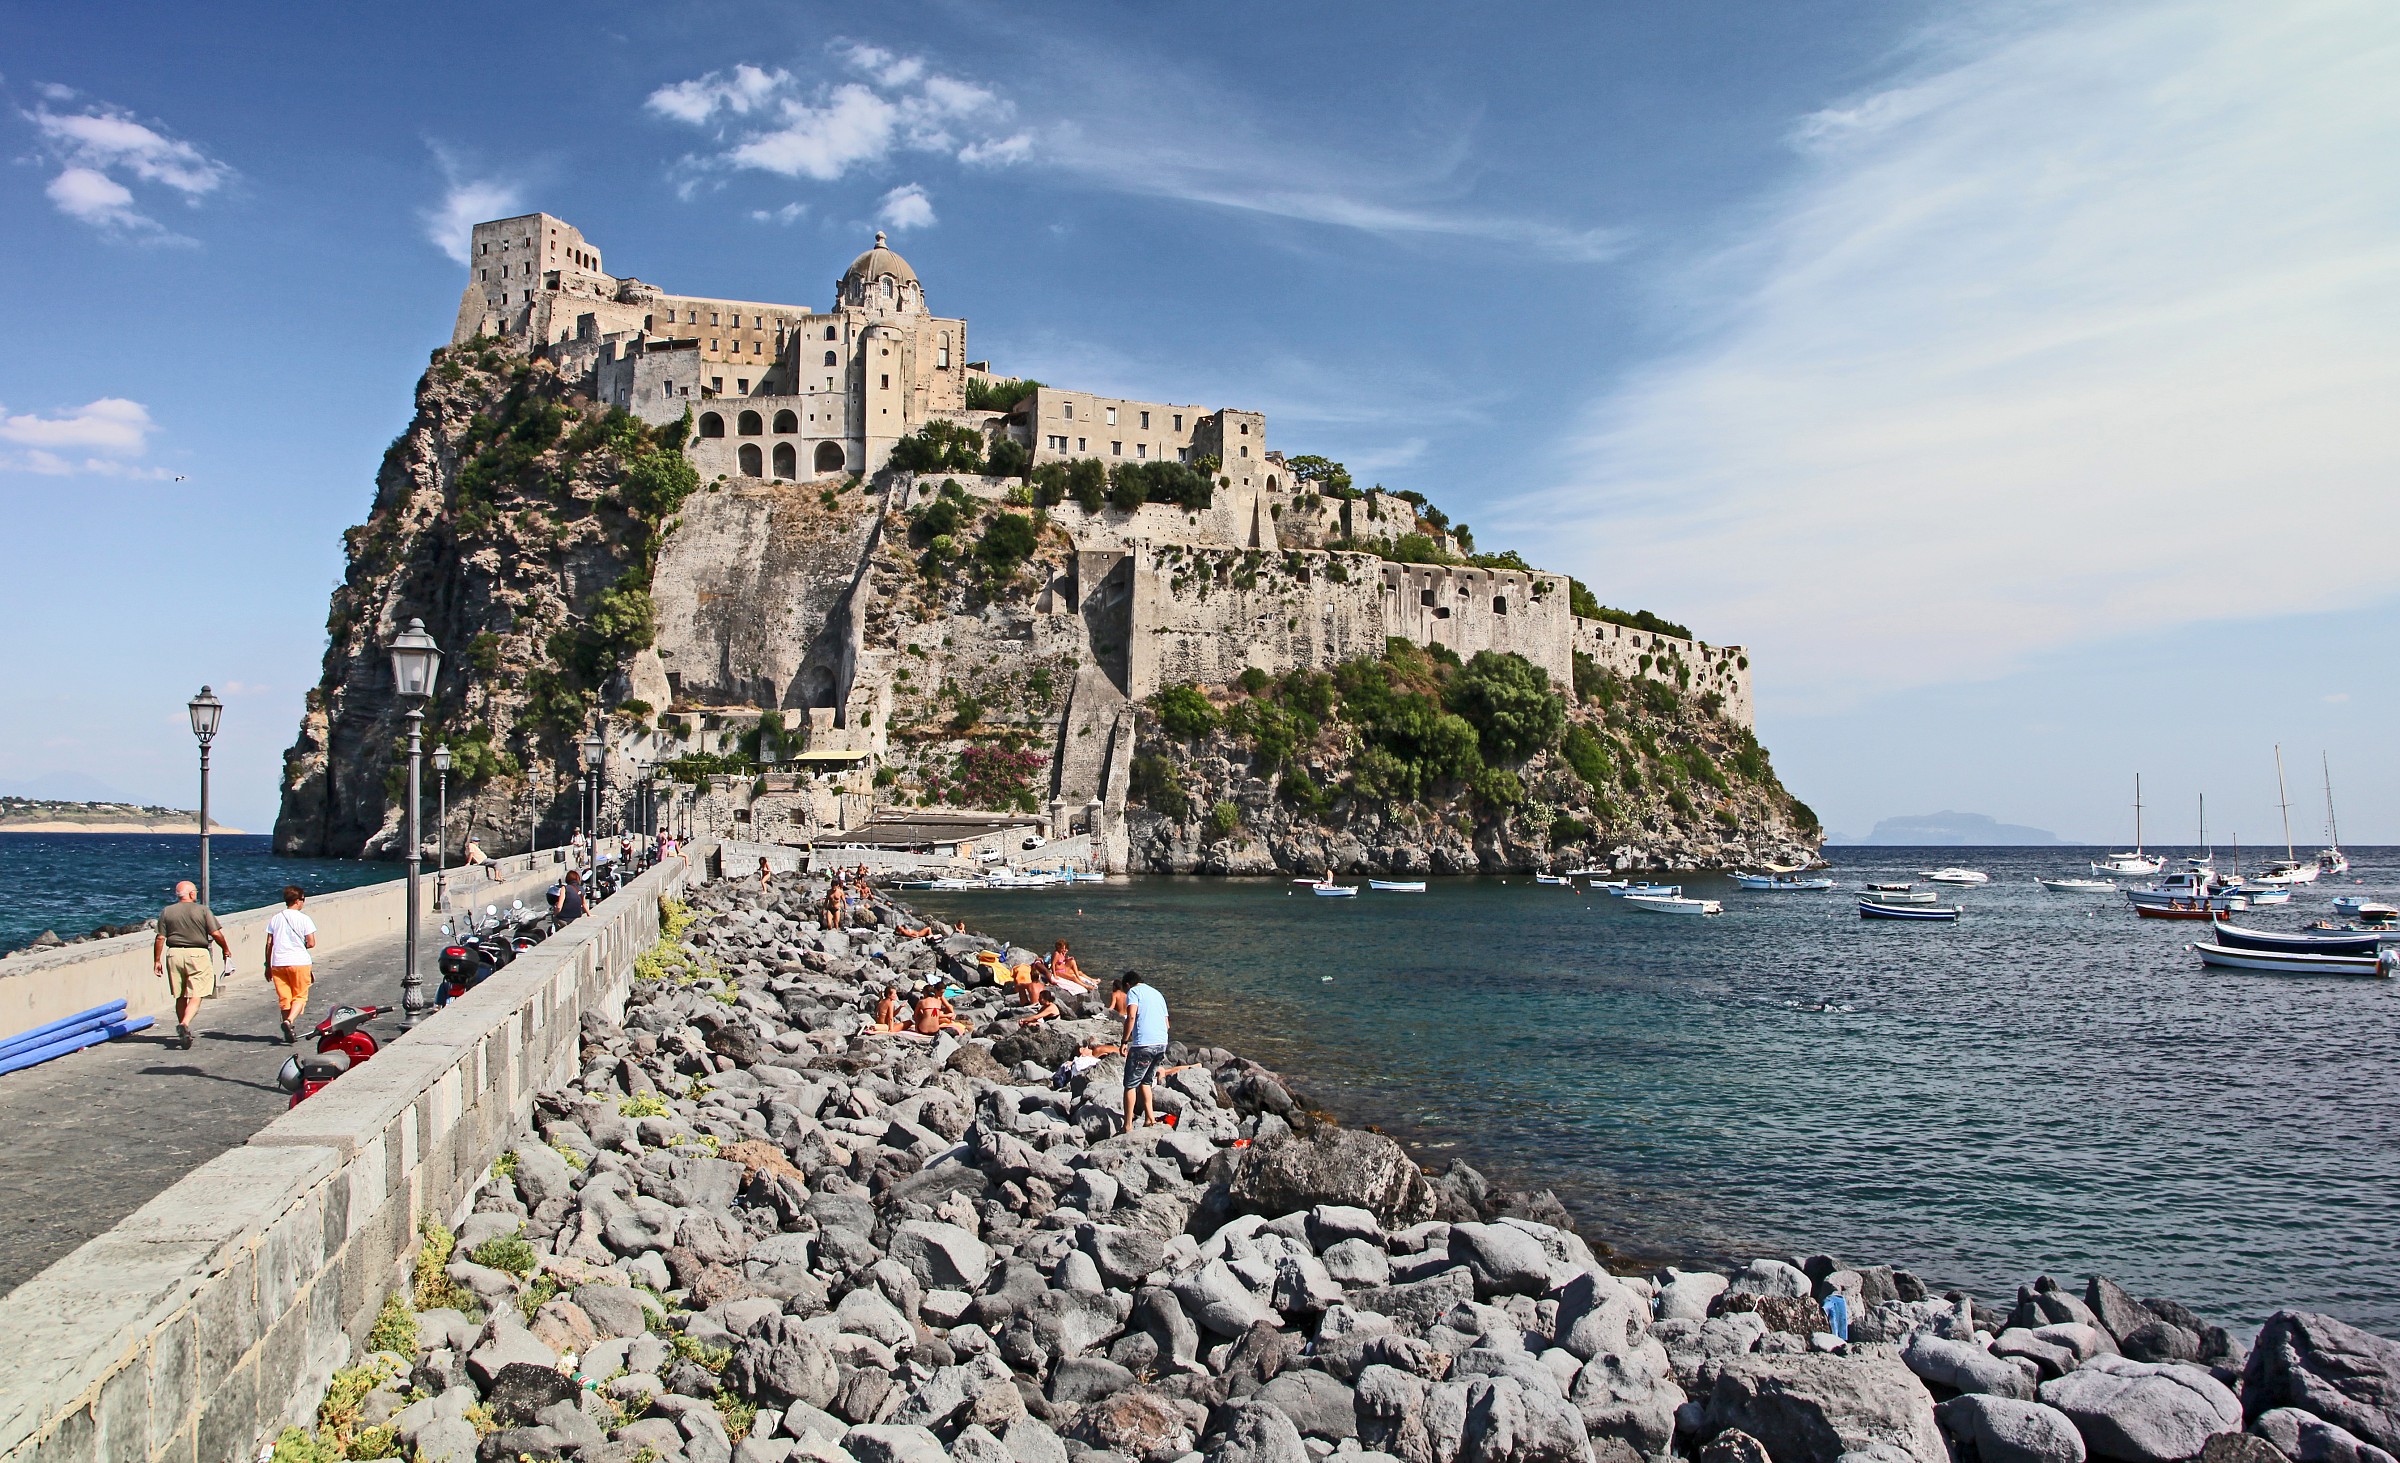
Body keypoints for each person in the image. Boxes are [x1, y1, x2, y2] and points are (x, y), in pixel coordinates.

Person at [153, 880, 230, 1050]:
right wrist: (225, 949)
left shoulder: (167, 911)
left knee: (180, 995)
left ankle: (183, 1028)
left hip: (173, 953)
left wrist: (157, 960)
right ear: (192, 894)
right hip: (197, 953)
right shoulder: (202, 910)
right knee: (198, 992)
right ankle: (185, 1023)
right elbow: (215, 933)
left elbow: (160, 938)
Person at [263, 885, 318, 1044]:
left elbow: (269, 944)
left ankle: (289, 1030)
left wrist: (267, 965)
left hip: (278, 963)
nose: (303, 903)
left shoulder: (276, 918)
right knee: (300, 995)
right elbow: (311, 942)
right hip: (299, 962)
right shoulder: (304, 919)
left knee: (285, 998)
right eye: (303, 899)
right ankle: (288, 1022)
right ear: (297, 901)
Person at [1119, 971, 1171, 1131]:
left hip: (1143, 1045)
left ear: (1127, 985)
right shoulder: (1157, 994)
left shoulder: (1134, 992)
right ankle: (1149, 1118)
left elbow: (1132, 1016)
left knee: (1130, 1084)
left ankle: (1127, 1125)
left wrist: (1124, 1041)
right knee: (1146, 1081)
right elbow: (1167, 1024)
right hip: (1162, 1043)